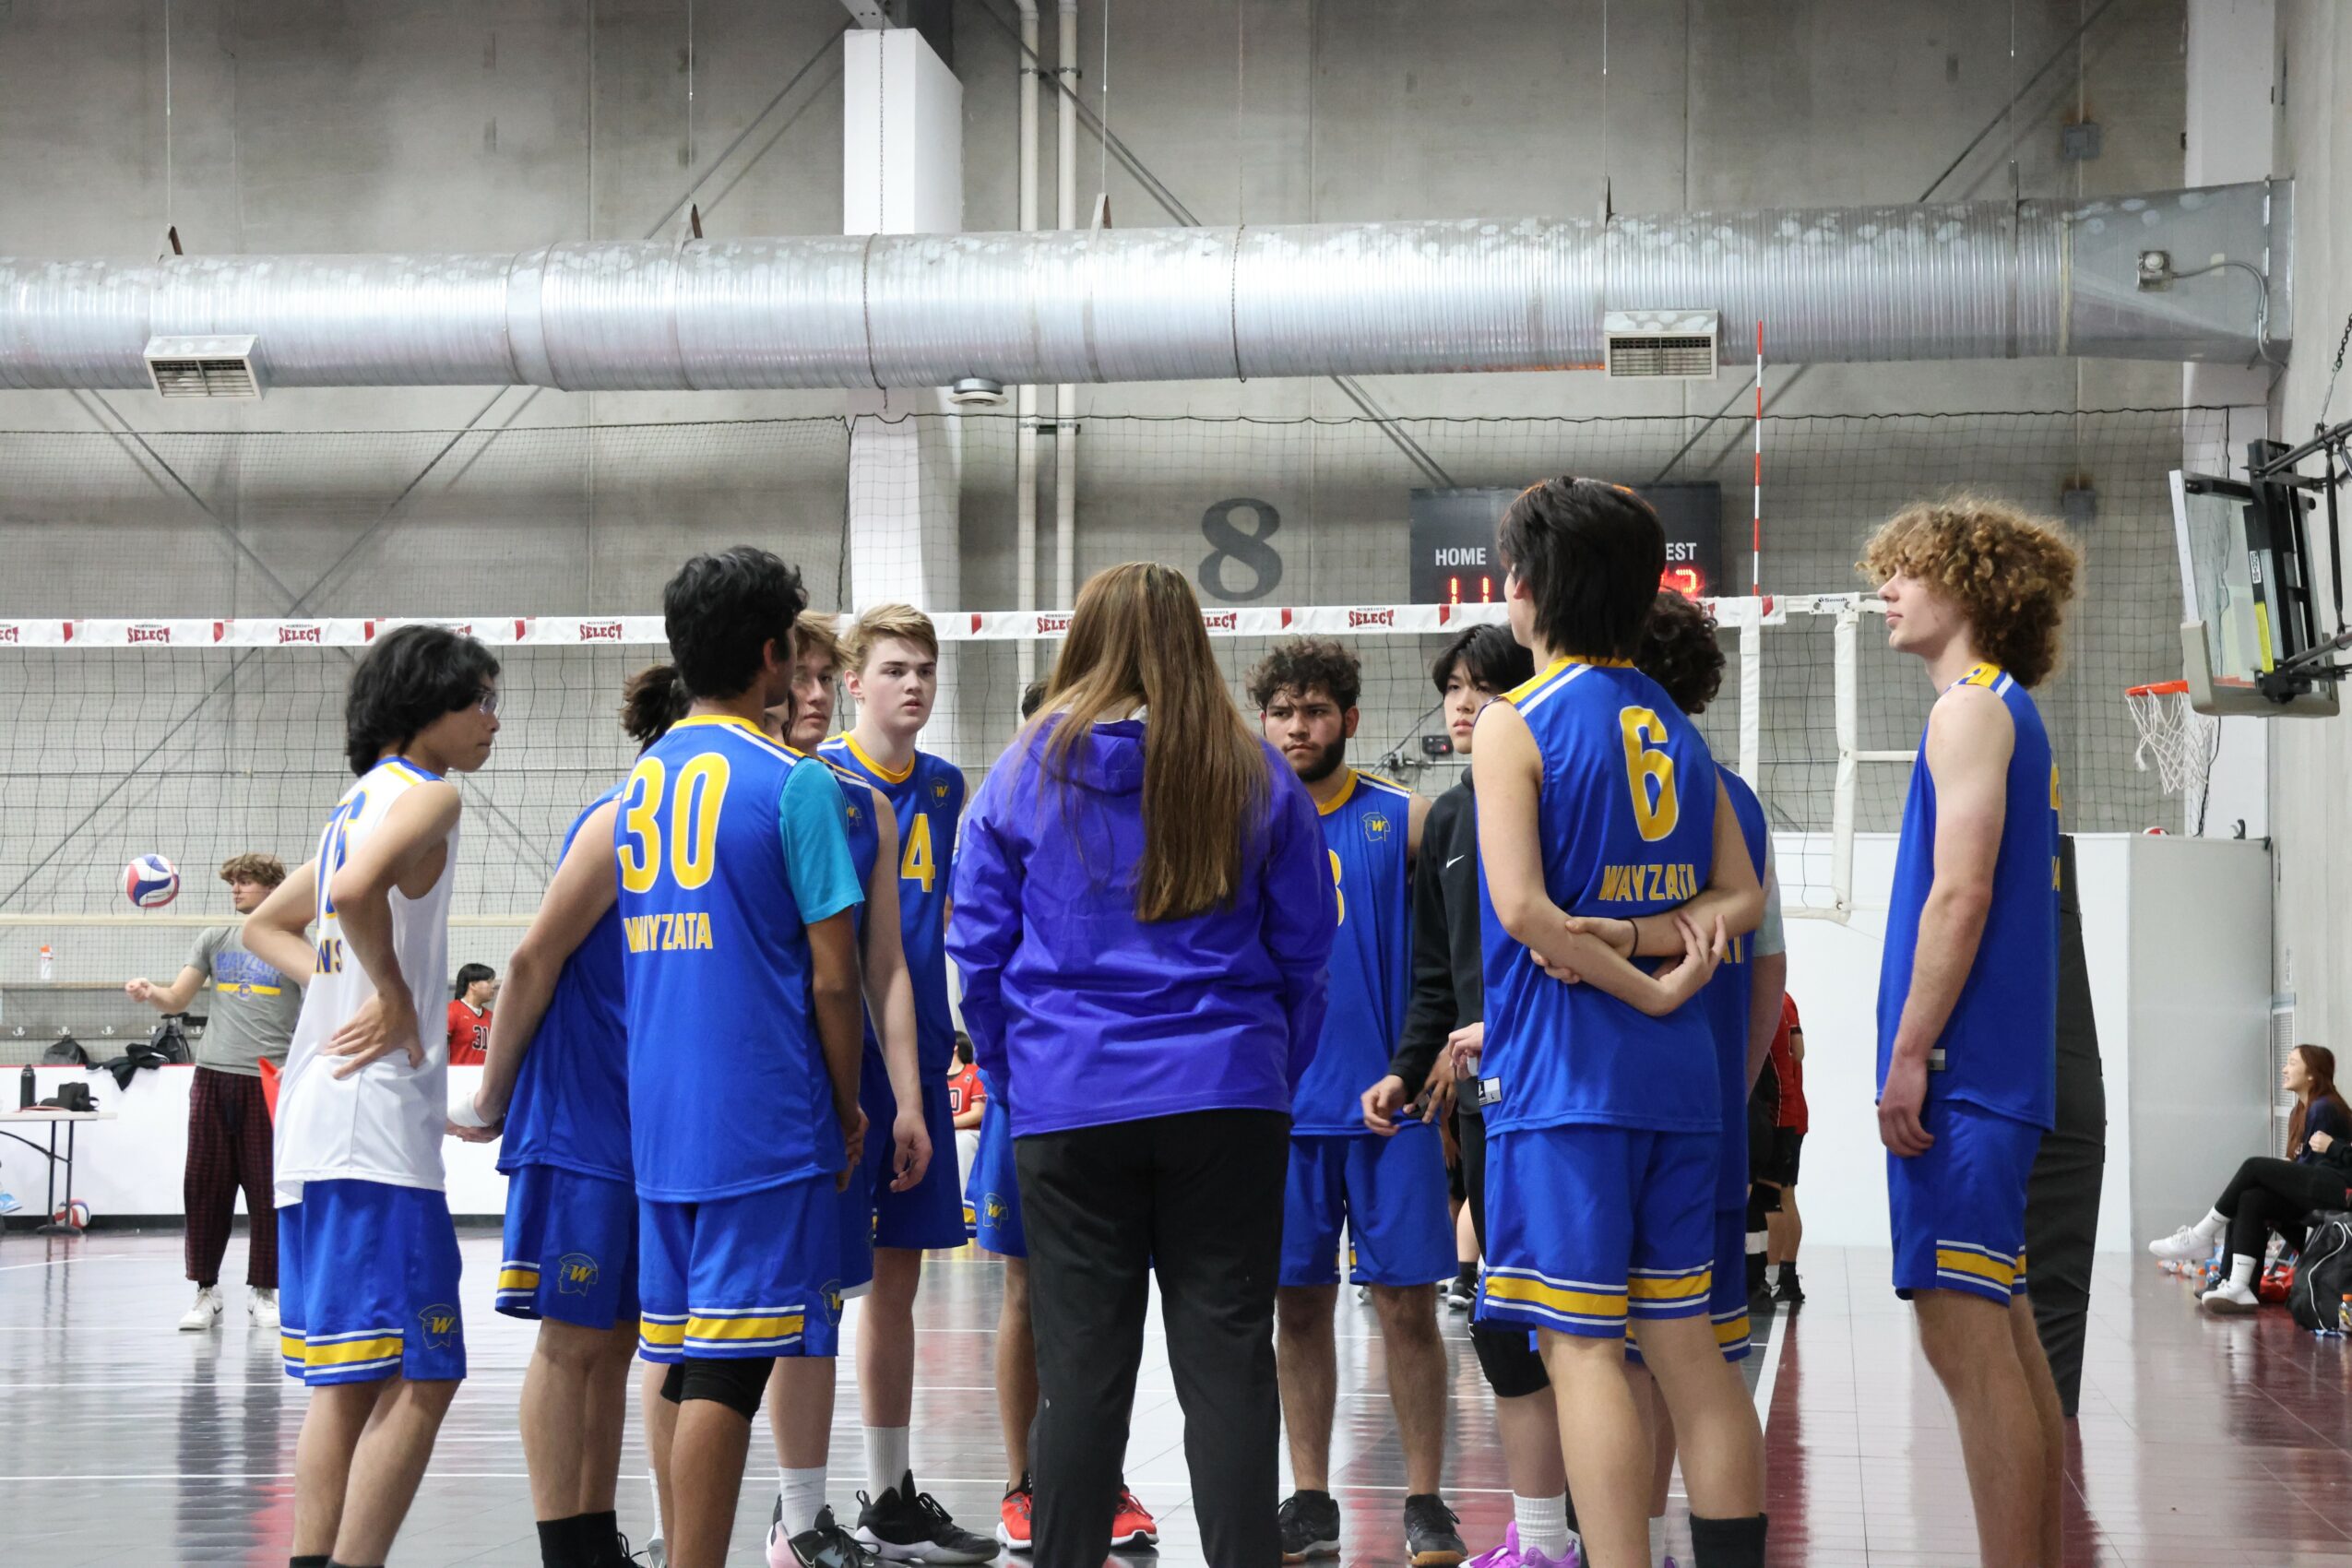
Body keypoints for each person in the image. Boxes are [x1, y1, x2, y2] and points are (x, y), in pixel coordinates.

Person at [949, 561, 1336, 1568]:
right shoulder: (1254, 772)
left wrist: (1016, 1078)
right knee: (1229, 1360)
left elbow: (977, 952)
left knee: (1080, 1371)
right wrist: (1269, 1074)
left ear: (1085, 639)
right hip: (1229, 1093)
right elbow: (1307, 950)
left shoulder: (1023, 771)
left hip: (1070, 1099)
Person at [1471, 476, 1765, 1568]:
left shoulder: (1515, 720)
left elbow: (1522, 911)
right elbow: (1740, 898)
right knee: (1689, 1348)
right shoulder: (1675, 724)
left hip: (1569, 1080)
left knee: (1583, 1348)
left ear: (1528, 585)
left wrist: (1638, 979)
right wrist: (1659, 955)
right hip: (1681, 1081)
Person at [619, 547, 867, 1568]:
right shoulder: (796, 784)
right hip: (762, 1118)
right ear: (773, 654)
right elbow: (836, 981)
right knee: (729, 1371)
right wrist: (846, 1105)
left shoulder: (641, 781)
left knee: (686, 1361)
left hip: (661, 1120)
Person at [239, 624, 503, 1568]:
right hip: (369, 1130)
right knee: (425, 1372)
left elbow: (266, 926)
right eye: (480, 700)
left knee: (346, 1384)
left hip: (319, 1118)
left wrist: (344, 986)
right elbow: (352, 894)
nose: (493, 720)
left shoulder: (354, 803)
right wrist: (387, 993)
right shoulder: (433, 794)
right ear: (426, 704)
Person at [1865, 495, 2078, 1568]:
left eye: (1908, 568)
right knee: (2005, 1340)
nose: (1886, 587)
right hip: (1994, 1070)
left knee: (1965, 1343)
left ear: (1973, 585)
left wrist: (1910, 1052)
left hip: (1963, 1073)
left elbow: (1961, 893)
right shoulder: (2003, 711)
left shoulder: (1970, 709)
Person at [455, 665, 684, 1568]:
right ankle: (567, 1548)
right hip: (583, 1117)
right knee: (571, 1341)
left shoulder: (711, 831)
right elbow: (529, 962)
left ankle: (595, 1539)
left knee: (619, 1341)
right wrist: (494, 1095)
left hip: (651, 1124)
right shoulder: (620, 819)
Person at [1362, 624, 1580, 1568]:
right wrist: (1407, 1067)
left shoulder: (1559, 800)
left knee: (1587, 1324)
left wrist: (1508, 1024)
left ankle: (1615, 1529)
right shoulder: (1449, 820)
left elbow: (1575, 941)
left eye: (1483, 687)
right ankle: (1545, 1536)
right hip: (1486, 1107)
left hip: (1564, 1097)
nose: (1462, 704)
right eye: (1452, 686)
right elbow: (1435, 978)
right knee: (1506, 1321)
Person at [1247, 636, 1465, 1568]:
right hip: (1282, 1112)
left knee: (1408, 1308)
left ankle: (1426, 1500)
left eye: (1316, 710)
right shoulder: (1243, 823)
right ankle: (1310, 1498)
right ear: (1262, 720)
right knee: (1296, 1310)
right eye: (1283, 712)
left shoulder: (1403, 818)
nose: (1298, 727)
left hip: (1390, 1110)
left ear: (1350, 718)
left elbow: (1463, 944)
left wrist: (1443, 1048)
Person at [960, 672, 1162, 1558]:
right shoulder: (1009, 802)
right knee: (1026, 1289)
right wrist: (1000, 1071)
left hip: (1114, 1090)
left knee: (1112, 1302)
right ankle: (1027, 1482)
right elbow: (978, 949)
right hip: (1030, 1084)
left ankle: (1094, 1478)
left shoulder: (1143, 804)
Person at [757, 606, 938, 1568]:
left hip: (862, 1073)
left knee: (846, 1293)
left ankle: (848, 1505)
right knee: (731, 1311)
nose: (816, 695)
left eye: (826, 678)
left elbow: (883, 966)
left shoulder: (870, 802)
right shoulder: (749, 787)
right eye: (803, 677)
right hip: (773, 1082)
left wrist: (908, 1097)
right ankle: (772, 1517)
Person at [818, 605, 996, 1564]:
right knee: (817, 1284)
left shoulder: (945, 783)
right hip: (832, 1058)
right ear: (854, 681)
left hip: (917, 1053)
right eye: (894, 668)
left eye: (925, 668)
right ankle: (799, 1503)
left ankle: (888, 1495)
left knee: (899, 1281)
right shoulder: (818, 778)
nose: (914, 683)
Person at [1624, 588, 1786, 1564]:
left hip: (1599, 1115)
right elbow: (1769, 973)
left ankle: (1620, 1543)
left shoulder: (1576, 781)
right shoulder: (1737, 801)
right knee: (1699, 1359)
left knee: (1610, 1360)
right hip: (1703, 1114)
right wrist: (1730, 1089)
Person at [125, 852, 300, 1334]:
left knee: (268, 1190)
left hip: (269, 1080)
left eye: (246, 882)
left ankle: (264, 1291)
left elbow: (318, 1012)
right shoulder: (215, 939)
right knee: (205, 1187)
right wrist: (150, 992)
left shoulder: (298, 945)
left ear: (273, 888)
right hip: (213, 1076)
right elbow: (178, 998)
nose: (236, 889)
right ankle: (206, 1291)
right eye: (233, 883)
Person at [2149, 1043, 2352, 1313]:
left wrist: (2288, 1170)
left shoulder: (2324, 1108)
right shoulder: (2299, 1112)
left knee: (2253, 1167)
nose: (2284, 1069)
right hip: (2316, 1192)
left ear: (2312, 1073)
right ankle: (2238, 1286)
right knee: (2250, 1198)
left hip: (2336, 1195)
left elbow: (2319, 1169)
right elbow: (2305, 1166)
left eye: (2292, 1063)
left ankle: (2201, 1235)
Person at [1750, 996, 1807, 1308]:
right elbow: (1799, 1051)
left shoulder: (1766, 1000)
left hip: (1778, 1113)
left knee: (1769, 1199)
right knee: (1784, 1197)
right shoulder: (1785, 998)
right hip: (1792, 1110)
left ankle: (1768, 1280)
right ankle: (1786, 1278)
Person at [446, 965, 496, 1065]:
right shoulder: (452, 1011)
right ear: (473, 985)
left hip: (484, 1074)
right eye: (488, 982)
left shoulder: (492, 1017)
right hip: (458, 1074)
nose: (493, 986)